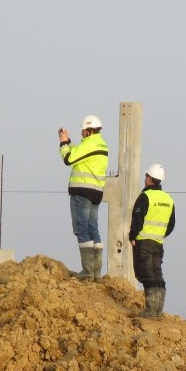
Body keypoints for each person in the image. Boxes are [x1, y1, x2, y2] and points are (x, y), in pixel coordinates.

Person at [58, 115, 109, 280]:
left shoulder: (90, 144)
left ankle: (87, 271)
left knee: (81, 229)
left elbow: (69, 158)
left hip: (82, 192)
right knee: (93, 229)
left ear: (89, 131)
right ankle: (96, 273)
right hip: (96, 192)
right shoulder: (101, 144)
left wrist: (63, 143)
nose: (82, 134)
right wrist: (69, 141)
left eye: (83, 131)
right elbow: (81, 154)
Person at [129, 163, 176, 318]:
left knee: (146, 273)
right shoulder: (168, 199)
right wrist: (160, 234)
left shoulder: (145, 196)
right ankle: (157, 310)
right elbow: (171, 224)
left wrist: (133, 236)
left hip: (143, 242)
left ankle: (150, 311)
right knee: (157, 274)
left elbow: (137, 219)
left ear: (148, 178)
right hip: (158, 243)